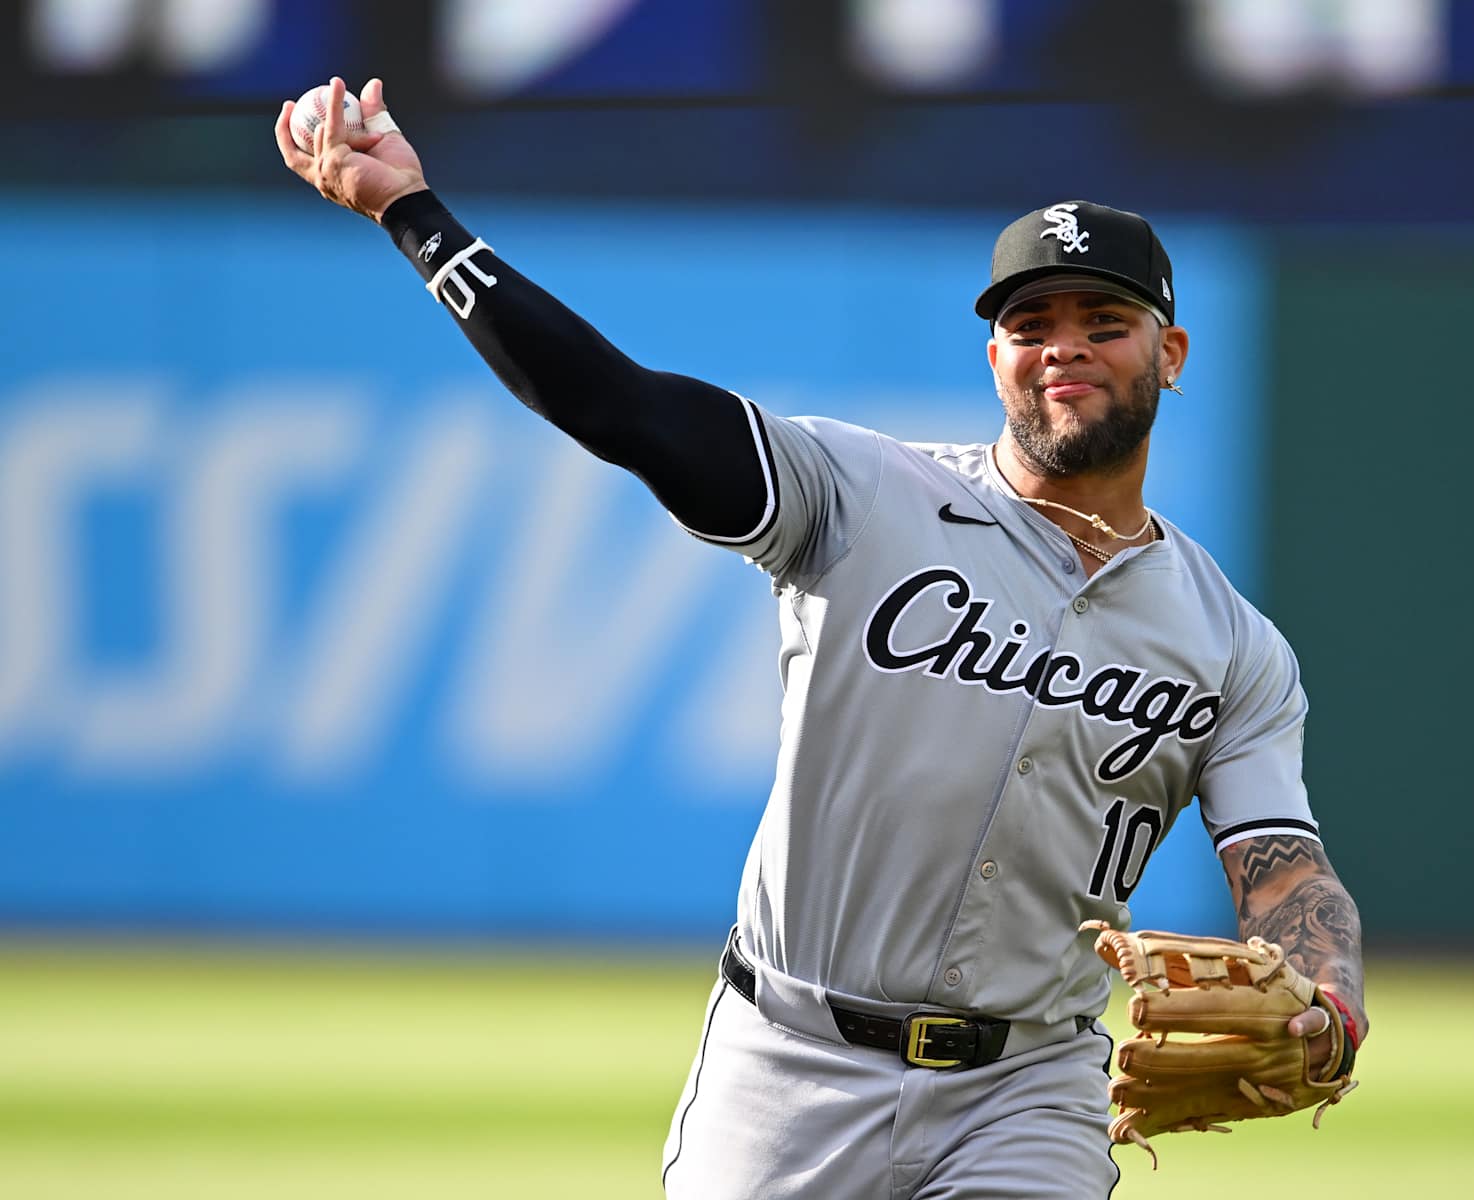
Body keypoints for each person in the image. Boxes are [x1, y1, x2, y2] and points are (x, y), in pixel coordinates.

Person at [277, 78, 1369, 1198]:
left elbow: (1280, 866)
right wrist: (415, 214)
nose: (1062, 350)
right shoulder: (856, 494)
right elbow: (621, 406)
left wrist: (1333, 999)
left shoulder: (1234, 649)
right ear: (992, 356)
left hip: (1028, 1090)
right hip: (791, 1065)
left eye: (1105, 323)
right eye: (1029, 325)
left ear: (1173, 352)